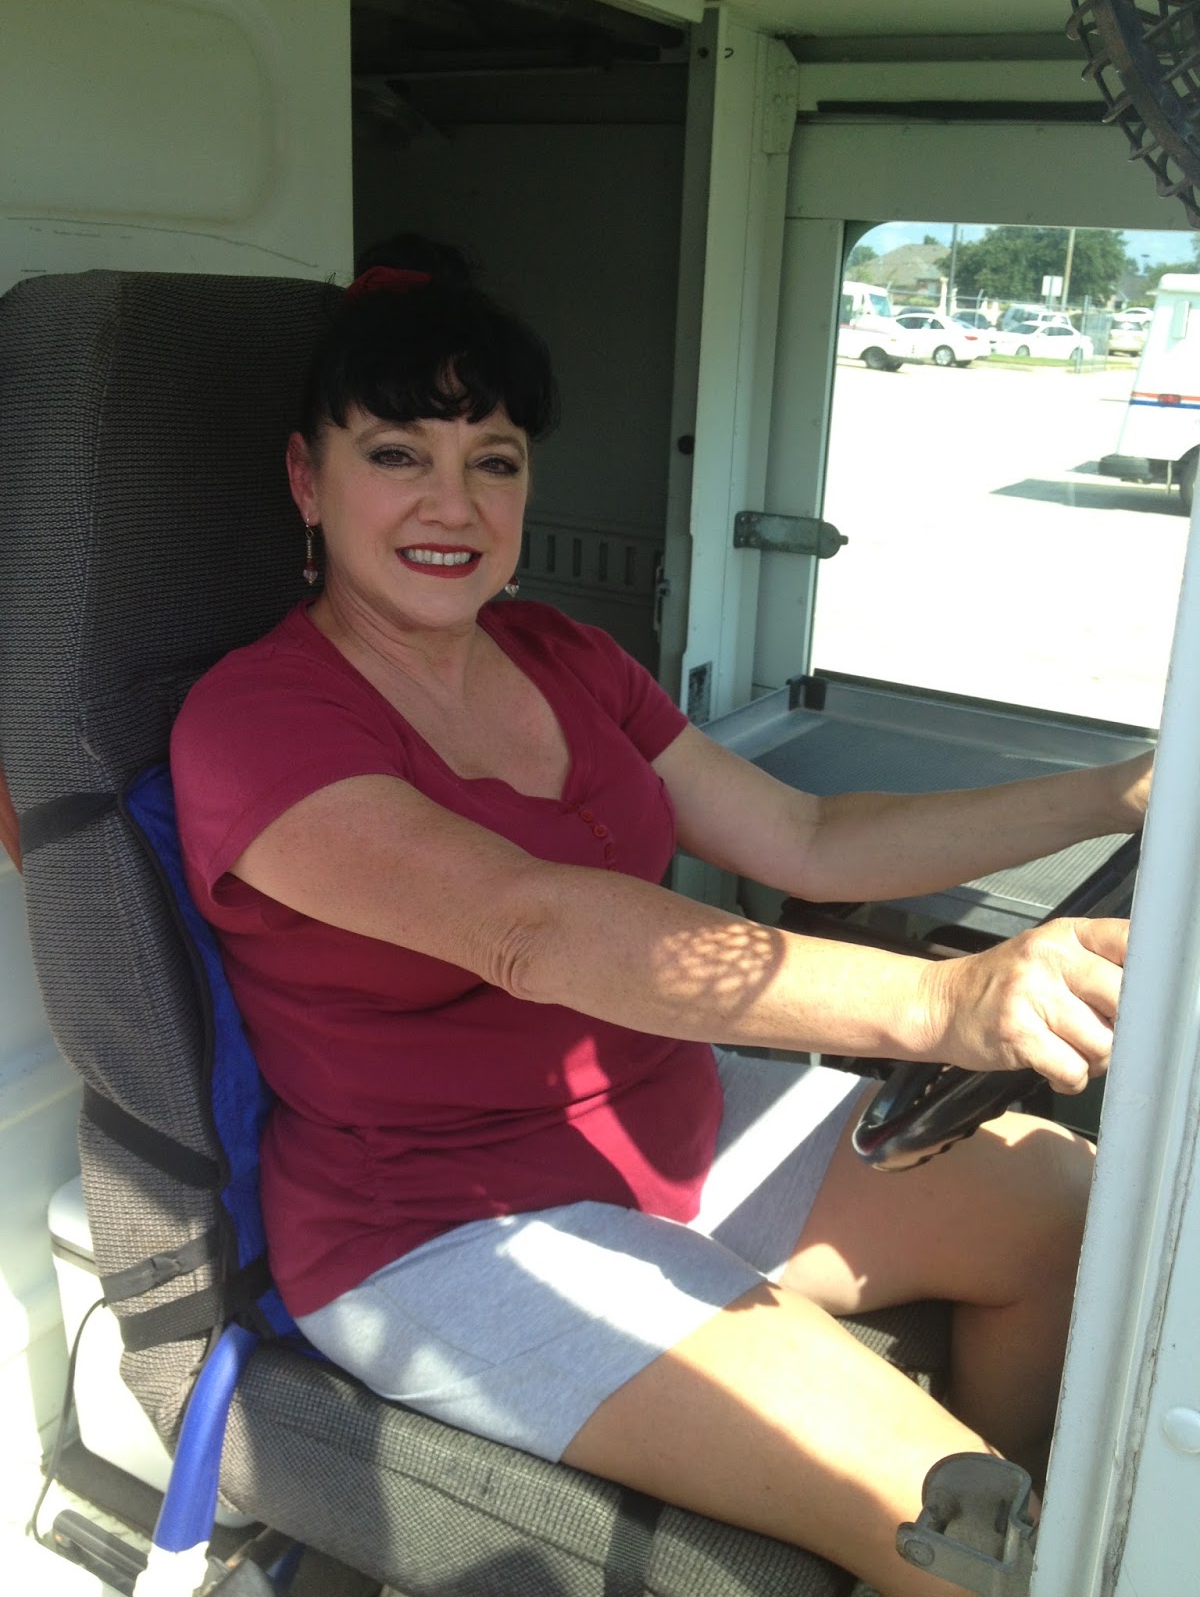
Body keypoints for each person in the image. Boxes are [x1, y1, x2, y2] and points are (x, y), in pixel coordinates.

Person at [170, 244, 1151, 1597]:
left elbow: (805, 834)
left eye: (494, 459)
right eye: (397, 453)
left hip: (672, 1123)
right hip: (441, 1224)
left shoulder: (565, 656)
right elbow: (532, 928)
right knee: (958, 1519)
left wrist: (1118, 793)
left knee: (1067, 1208)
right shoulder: (257, 718)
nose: (451, 502)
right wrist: (940, 1003)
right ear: (307, 479)